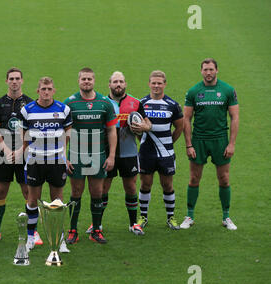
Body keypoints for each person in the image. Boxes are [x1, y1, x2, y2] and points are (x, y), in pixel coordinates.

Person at [181, 58, 239, 230]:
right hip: (199, 140)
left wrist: (231, 144)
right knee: (193, 178)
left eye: (211, 69)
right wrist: (189, 144)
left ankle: (226, 217)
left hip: (220, 140)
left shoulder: (228, 90)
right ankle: (190, 215)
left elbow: (235, 117)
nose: (208, 73)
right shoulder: (193, 91)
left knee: (224, 178)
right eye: (205, 70)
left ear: (217, 70)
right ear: (201, 71)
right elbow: (186, 118)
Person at [63, 68, 118, 245]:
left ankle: (96, 230)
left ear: (94, 81)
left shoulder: (104, 103)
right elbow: (64, 133)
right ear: (78, 81)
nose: (86, 81)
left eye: (89, 79)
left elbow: (111, 130)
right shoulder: (70, 104)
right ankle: (73, 230)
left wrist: (111, 156)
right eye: (83, 79)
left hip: (98, 155)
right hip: (76, 156)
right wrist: (65, 157)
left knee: (97, 193)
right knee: (76, 193)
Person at [0, 67, 38, 244]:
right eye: (11, 79)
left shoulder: (31, 104)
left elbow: (33, 131)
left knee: (28, 192)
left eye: (17, 78)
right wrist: (6, 150)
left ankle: (33, 232)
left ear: (22, 81)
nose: (14, 81)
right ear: (6, 81)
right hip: (3, 154)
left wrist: (21, 150)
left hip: (26, 154)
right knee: (0, 191)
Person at [19, 77, 72, 251]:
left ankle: (60, 238)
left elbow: (68, 135)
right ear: (38, 90)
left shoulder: (63, 110)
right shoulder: (27, 111)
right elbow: (24, 137)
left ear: (54, 90)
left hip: (56, 161)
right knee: (33, 199)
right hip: (35, 161)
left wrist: (64, 156)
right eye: (43, 89)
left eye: (49, 89)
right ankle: (30, 236)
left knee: (57, 201)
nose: (46, 92)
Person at [98, 71, 151, 236]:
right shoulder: (102, 102)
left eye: (121, 81)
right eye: (115, 82)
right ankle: (97, 225)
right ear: (109, 85)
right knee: (103, 188)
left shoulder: (135, 103)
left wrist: (144, 127)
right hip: (107, 153)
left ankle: (133, 223)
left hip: (129, 152)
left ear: (125, 84)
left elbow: (147, 121)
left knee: (130, 186)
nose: (118, 84)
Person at [137, 70, 184, 231]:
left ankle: (171, 218)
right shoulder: (141, 103)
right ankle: (143, 217)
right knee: (145, 183)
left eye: (159, 83)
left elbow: (180, 127)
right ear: (149, 83)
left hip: (166, 154)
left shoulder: (172, 105)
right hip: (146, 153)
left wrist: (169, 142)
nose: (156, 86)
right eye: (153, 83)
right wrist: (143, 141)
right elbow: (137, 127)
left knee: (167, 185)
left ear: (165, 84)